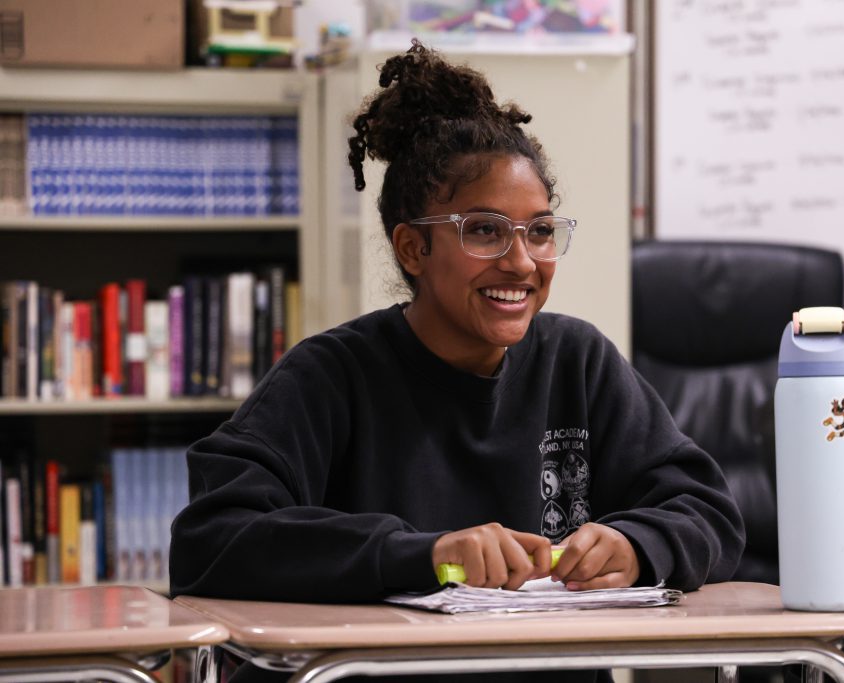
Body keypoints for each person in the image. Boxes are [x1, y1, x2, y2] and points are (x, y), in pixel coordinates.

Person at [170, 40, 744, 683]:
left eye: (541, 230)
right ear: (413, 248)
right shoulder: (330, 376)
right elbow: (211, 540)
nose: (523, 262)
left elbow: (709, 512)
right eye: (485, 230)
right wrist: (426, 556)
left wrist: (639, 546)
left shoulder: (576, 362)